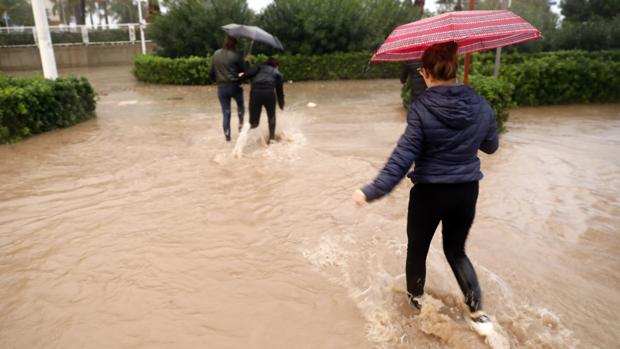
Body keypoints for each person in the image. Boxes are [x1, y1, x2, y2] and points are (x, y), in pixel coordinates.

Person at [352, 41, 499, 335]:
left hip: (430, 194)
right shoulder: (480, 104)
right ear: (455, 70)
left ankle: (417, 309)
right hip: (467, 191)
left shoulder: (421, 108)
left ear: (424, 73)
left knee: (417, 251)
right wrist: (469, 132)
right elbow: (491, 146)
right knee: (456, 251)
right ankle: (477, 312)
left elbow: (402, 159)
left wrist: (371, 190)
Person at [209, 36, 248, 142]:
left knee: (226, 113)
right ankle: (240, 129)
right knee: (240, 107)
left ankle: (228, 139)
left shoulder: (216, 54)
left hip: (221, 88)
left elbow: (211, 72)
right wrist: (246, 61)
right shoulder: (236, 56)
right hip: (235, 86)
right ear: (234, 44)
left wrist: (215, 81)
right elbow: (245, 72)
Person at [242, 57, 285, 143]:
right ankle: (272, 139)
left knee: (253, 122)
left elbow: (247, 75)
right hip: (269, 93)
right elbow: (279, 91)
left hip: (255, 92)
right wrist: (281, 104)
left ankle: (244, 137)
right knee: (271, 117)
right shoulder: (278, 73)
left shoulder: (259, 66)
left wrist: (245, 64)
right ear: (276, 66)